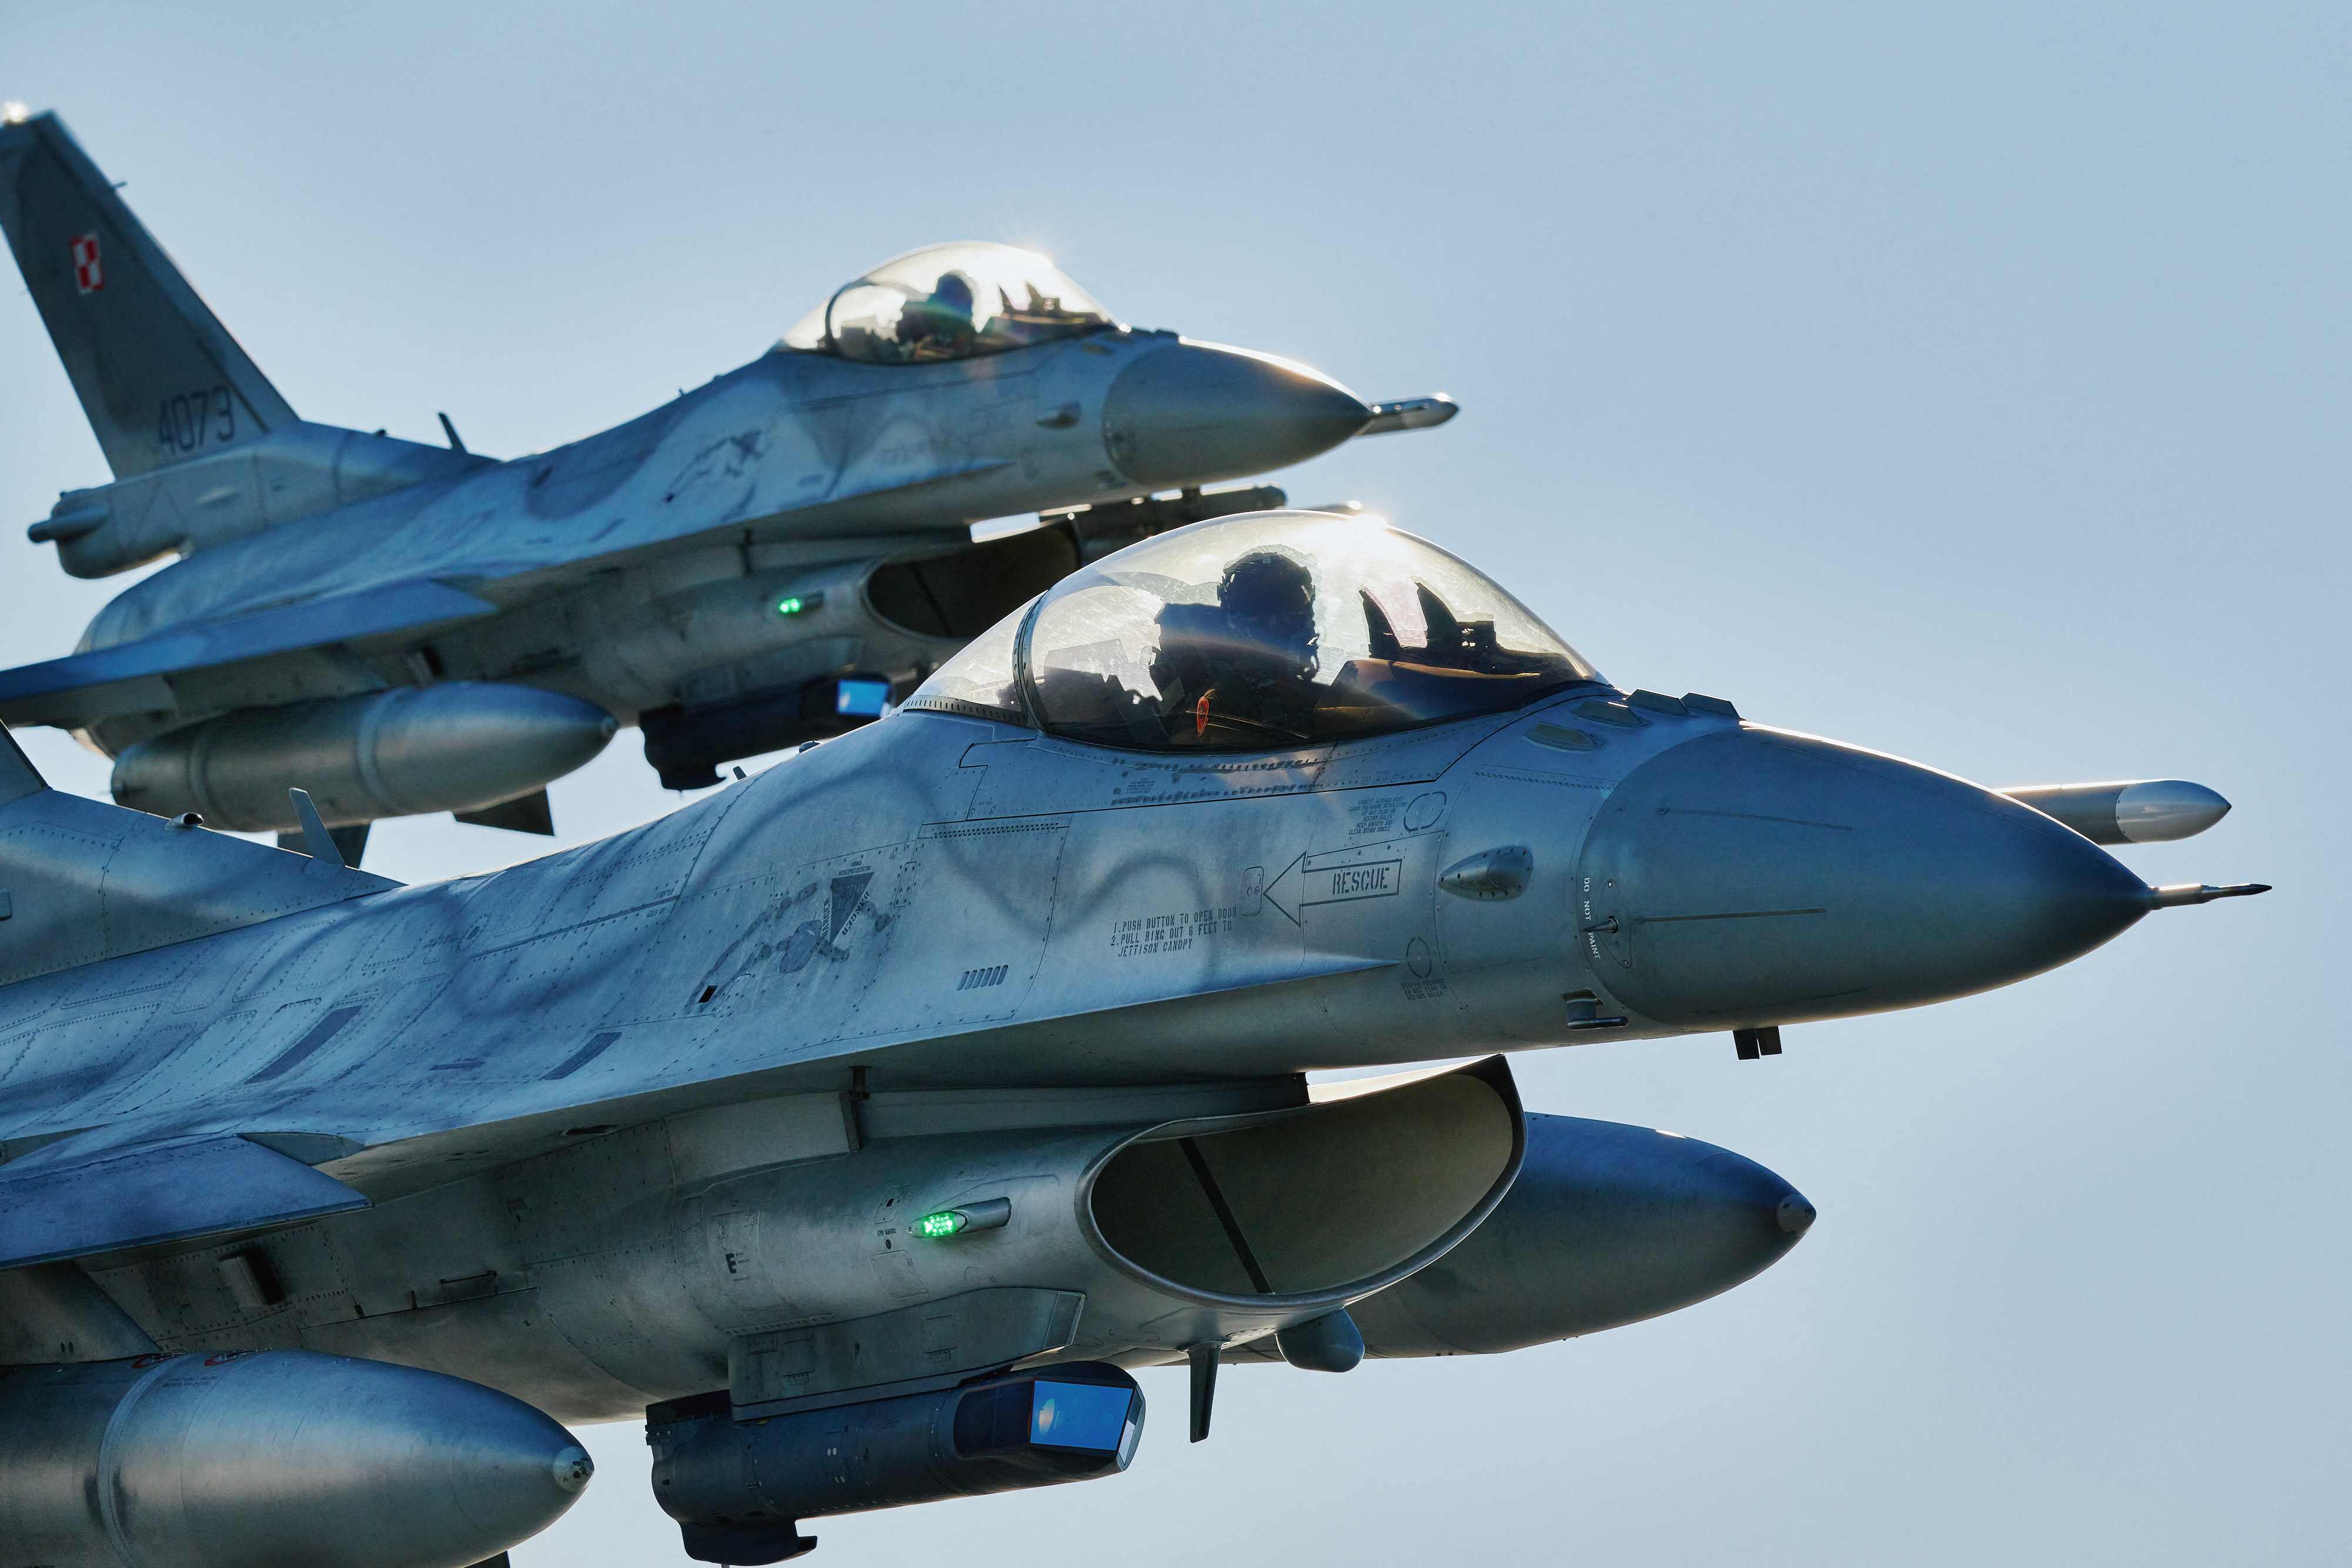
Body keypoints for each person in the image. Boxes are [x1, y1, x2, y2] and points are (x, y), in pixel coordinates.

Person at [1150, 549, 1325, 744]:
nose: (1304, 623)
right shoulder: (1229, 698)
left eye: (1301, 606)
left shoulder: (1297, 678)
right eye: (1289, 609)